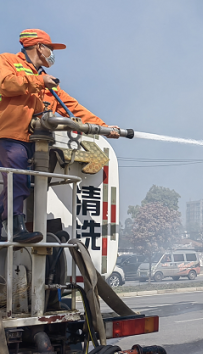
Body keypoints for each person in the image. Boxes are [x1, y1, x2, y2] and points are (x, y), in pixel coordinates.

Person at [0, 29, 120, 243]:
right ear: (39, 47)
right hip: (8, 136)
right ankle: (14, 227)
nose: (52, 53)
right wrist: (39, 82)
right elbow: (6, 84)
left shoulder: (47, 83)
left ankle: (16, 224)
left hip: (32, 141)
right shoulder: (8, 61)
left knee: (25, 183)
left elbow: (73, 108)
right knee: (18, 179)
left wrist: (104, 127)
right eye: (51, 48)